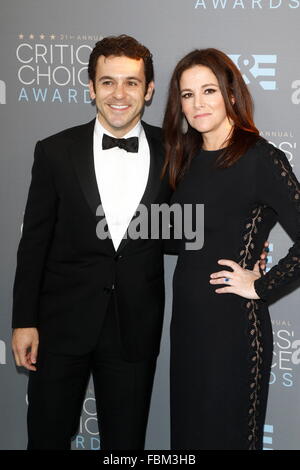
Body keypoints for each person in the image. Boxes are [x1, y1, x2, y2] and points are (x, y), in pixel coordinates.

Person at [11, 35, 172, 450]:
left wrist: (246, 249)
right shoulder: (54, 151)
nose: (119, 94)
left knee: (125, 445)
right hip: (61, 324)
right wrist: (23, 320)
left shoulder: (175, 150)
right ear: (91, 87)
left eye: (132, 83)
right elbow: (34, 243)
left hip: (134, 326)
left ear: (149, 90)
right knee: (47, 437)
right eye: (107, 82)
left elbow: (187, 227)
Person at [163, 48, 300, 450]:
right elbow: (178, 238)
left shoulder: (260, 157)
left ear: (232, 95)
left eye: (208, 90)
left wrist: (261, 286)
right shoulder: (183, 157)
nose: (197, 103)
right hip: (188, 327)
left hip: (234, 329)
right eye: (187, 95)